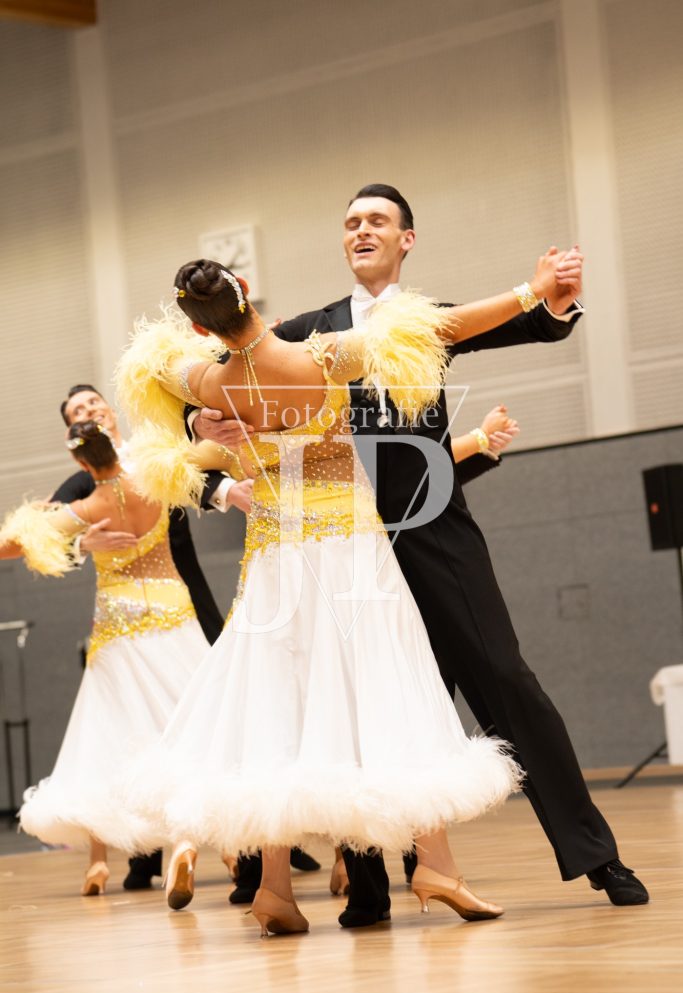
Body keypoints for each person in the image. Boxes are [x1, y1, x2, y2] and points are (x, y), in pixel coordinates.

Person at [192, 184, 649, 923]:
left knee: (505, 678)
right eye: (350, 222)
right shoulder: (310, 329)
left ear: (407, 238)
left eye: (377, 220)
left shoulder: (426, 319)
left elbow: (525, 325)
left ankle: (597, 855)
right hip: (343, 547)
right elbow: (224, 379)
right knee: (357, 703)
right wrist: (203, 422)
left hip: (432, 532)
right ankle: (370, 888)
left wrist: (556, 301)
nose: (361, 230)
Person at [111, 251, 571, 938]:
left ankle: (273, 887)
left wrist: (199, 421)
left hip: (273, 559)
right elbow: (439, 330)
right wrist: (529, 291)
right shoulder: (320, 357)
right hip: (351, 551)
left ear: (199, 324)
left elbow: (153, 371)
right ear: (248, 295)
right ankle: (435, 864)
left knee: (277, 705)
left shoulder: (208, 380)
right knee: (385, 689)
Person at [54, 388, 321, 892]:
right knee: (159, 716)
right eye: (77, 412)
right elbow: (49, 529)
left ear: (110, 409)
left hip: (188, 595)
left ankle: (260, 843)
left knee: (208, 707)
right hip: (147, 609)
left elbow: (197, 476)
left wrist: (226, 493)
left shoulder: (155, 449)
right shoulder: (83, 479)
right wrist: (81, 544)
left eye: (92, 403)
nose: (89, 412)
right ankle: (157, 856)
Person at [0, 420, 210, 896]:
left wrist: (39, 521)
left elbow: (11, 547)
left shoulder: (85, 509)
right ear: (114, 447)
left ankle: (98, 865)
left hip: (119, 626)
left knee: (110, 737)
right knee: (193, 722)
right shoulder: (152, 482)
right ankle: (201, 843)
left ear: (80, 462)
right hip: (174, 613)